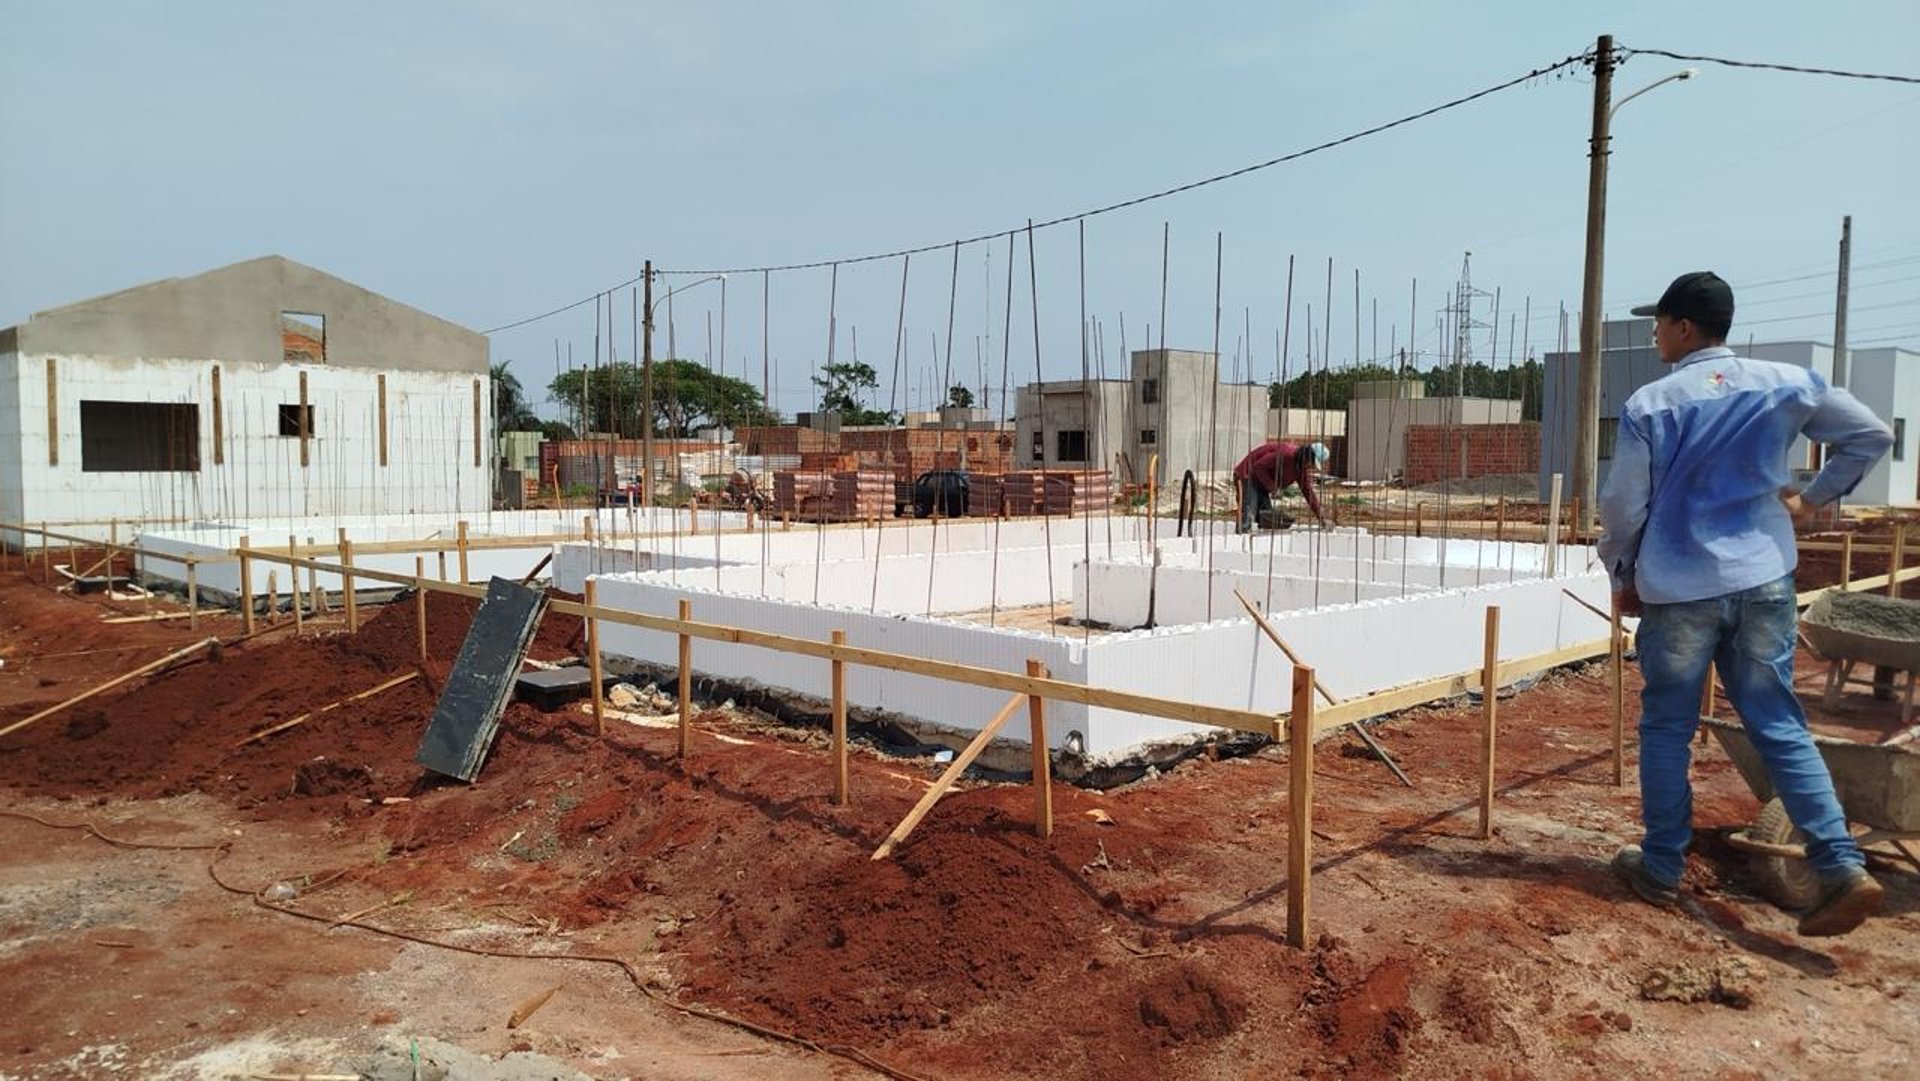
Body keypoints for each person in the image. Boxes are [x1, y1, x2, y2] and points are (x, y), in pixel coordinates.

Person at [1599, 271, 1894, 936]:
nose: (1654, 334)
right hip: (1764, 578)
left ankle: (1661, 865)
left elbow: (1622, 504)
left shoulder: (1652, 404)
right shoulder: (1787, 383)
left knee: (1668, 726)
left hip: (1679, 586)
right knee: (1778, 721)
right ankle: (1840, 862)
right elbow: (1870, 434)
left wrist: (1621, 569)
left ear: (1683, 327)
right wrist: (1817, 496)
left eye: (1660, 322)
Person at [1232, 440, 1328, 533]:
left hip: (1260, 483)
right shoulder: (1286, 454)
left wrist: (1320, 516)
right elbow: (1258, 466)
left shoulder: (1300, 468)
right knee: (1249, 511)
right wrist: (1272, 487)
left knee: (1267, 518)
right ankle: (1241, 537)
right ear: (1307, 455)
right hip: (1247, 475)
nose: (1311, 466)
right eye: (1312, 463)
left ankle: (1258, 544)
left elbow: (1308, 492)